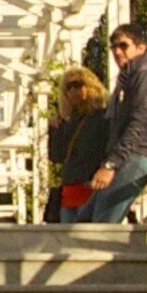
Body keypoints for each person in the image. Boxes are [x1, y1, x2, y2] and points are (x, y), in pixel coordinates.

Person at [81, 23, 147, 224]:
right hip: (126, 156)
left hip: (137, 155)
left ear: (141, 47)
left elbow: (141, 122)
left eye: (123, 45)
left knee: (99, 228)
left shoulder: (146, 75)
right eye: (113, 47)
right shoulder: (129, 77)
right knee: (84, 222)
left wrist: (111, 165)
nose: (117, 51)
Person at [45, 65, 110, 224]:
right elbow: (57, 156)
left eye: (78, 84)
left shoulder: (101, 117)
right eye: (68, 87)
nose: (73, 90)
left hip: (89, 189)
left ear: (90, 87)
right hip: (69, 193)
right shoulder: (68, 122)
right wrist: (55, 131)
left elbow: (105, 148)